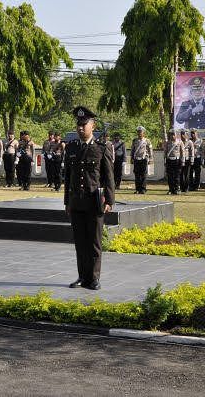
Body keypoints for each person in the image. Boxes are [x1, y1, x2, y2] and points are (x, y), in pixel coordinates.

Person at [64, 107, 115, 291]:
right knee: (80, 242)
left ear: (92, 125)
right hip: (76, 201)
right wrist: (67, 202)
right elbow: (68, 177)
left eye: (84, 124)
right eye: (78, 125)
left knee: (94, 242)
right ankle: (82, 276)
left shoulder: (102, 148)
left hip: (95, 201)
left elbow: (108, 177)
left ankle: (93, 278)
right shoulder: (71, 148)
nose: (80, 128)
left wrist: (109, 200)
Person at [130, 127, 153, 194]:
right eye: (138, 132)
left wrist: (151, 159)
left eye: (141, 132)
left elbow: (150, 150)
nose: (139, 133)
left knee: (143, 175)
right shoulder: (134, 140)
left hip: (144, 159)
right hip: (136, 159)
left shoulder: (147, 141)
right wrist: (131, 158)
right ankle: (137, 189)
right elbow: (132, 150)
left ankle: (143, 189)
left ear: (144, 133)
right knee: (137, 174)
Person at [164, 129, 184, 195]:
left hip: (177, 160)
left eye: (173, 134)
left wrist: (182, 161)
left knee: (177, 176)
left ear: (176, 135)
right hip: (169, 160)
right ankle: (171, 189)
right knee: (170, 176)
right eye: (171, 134)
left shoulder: (180, 142)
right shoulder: (167, 143)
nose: (172, 136)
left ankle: (177, 189)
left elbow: (182, 152)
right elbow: (165, 152)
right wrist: (165, 161)